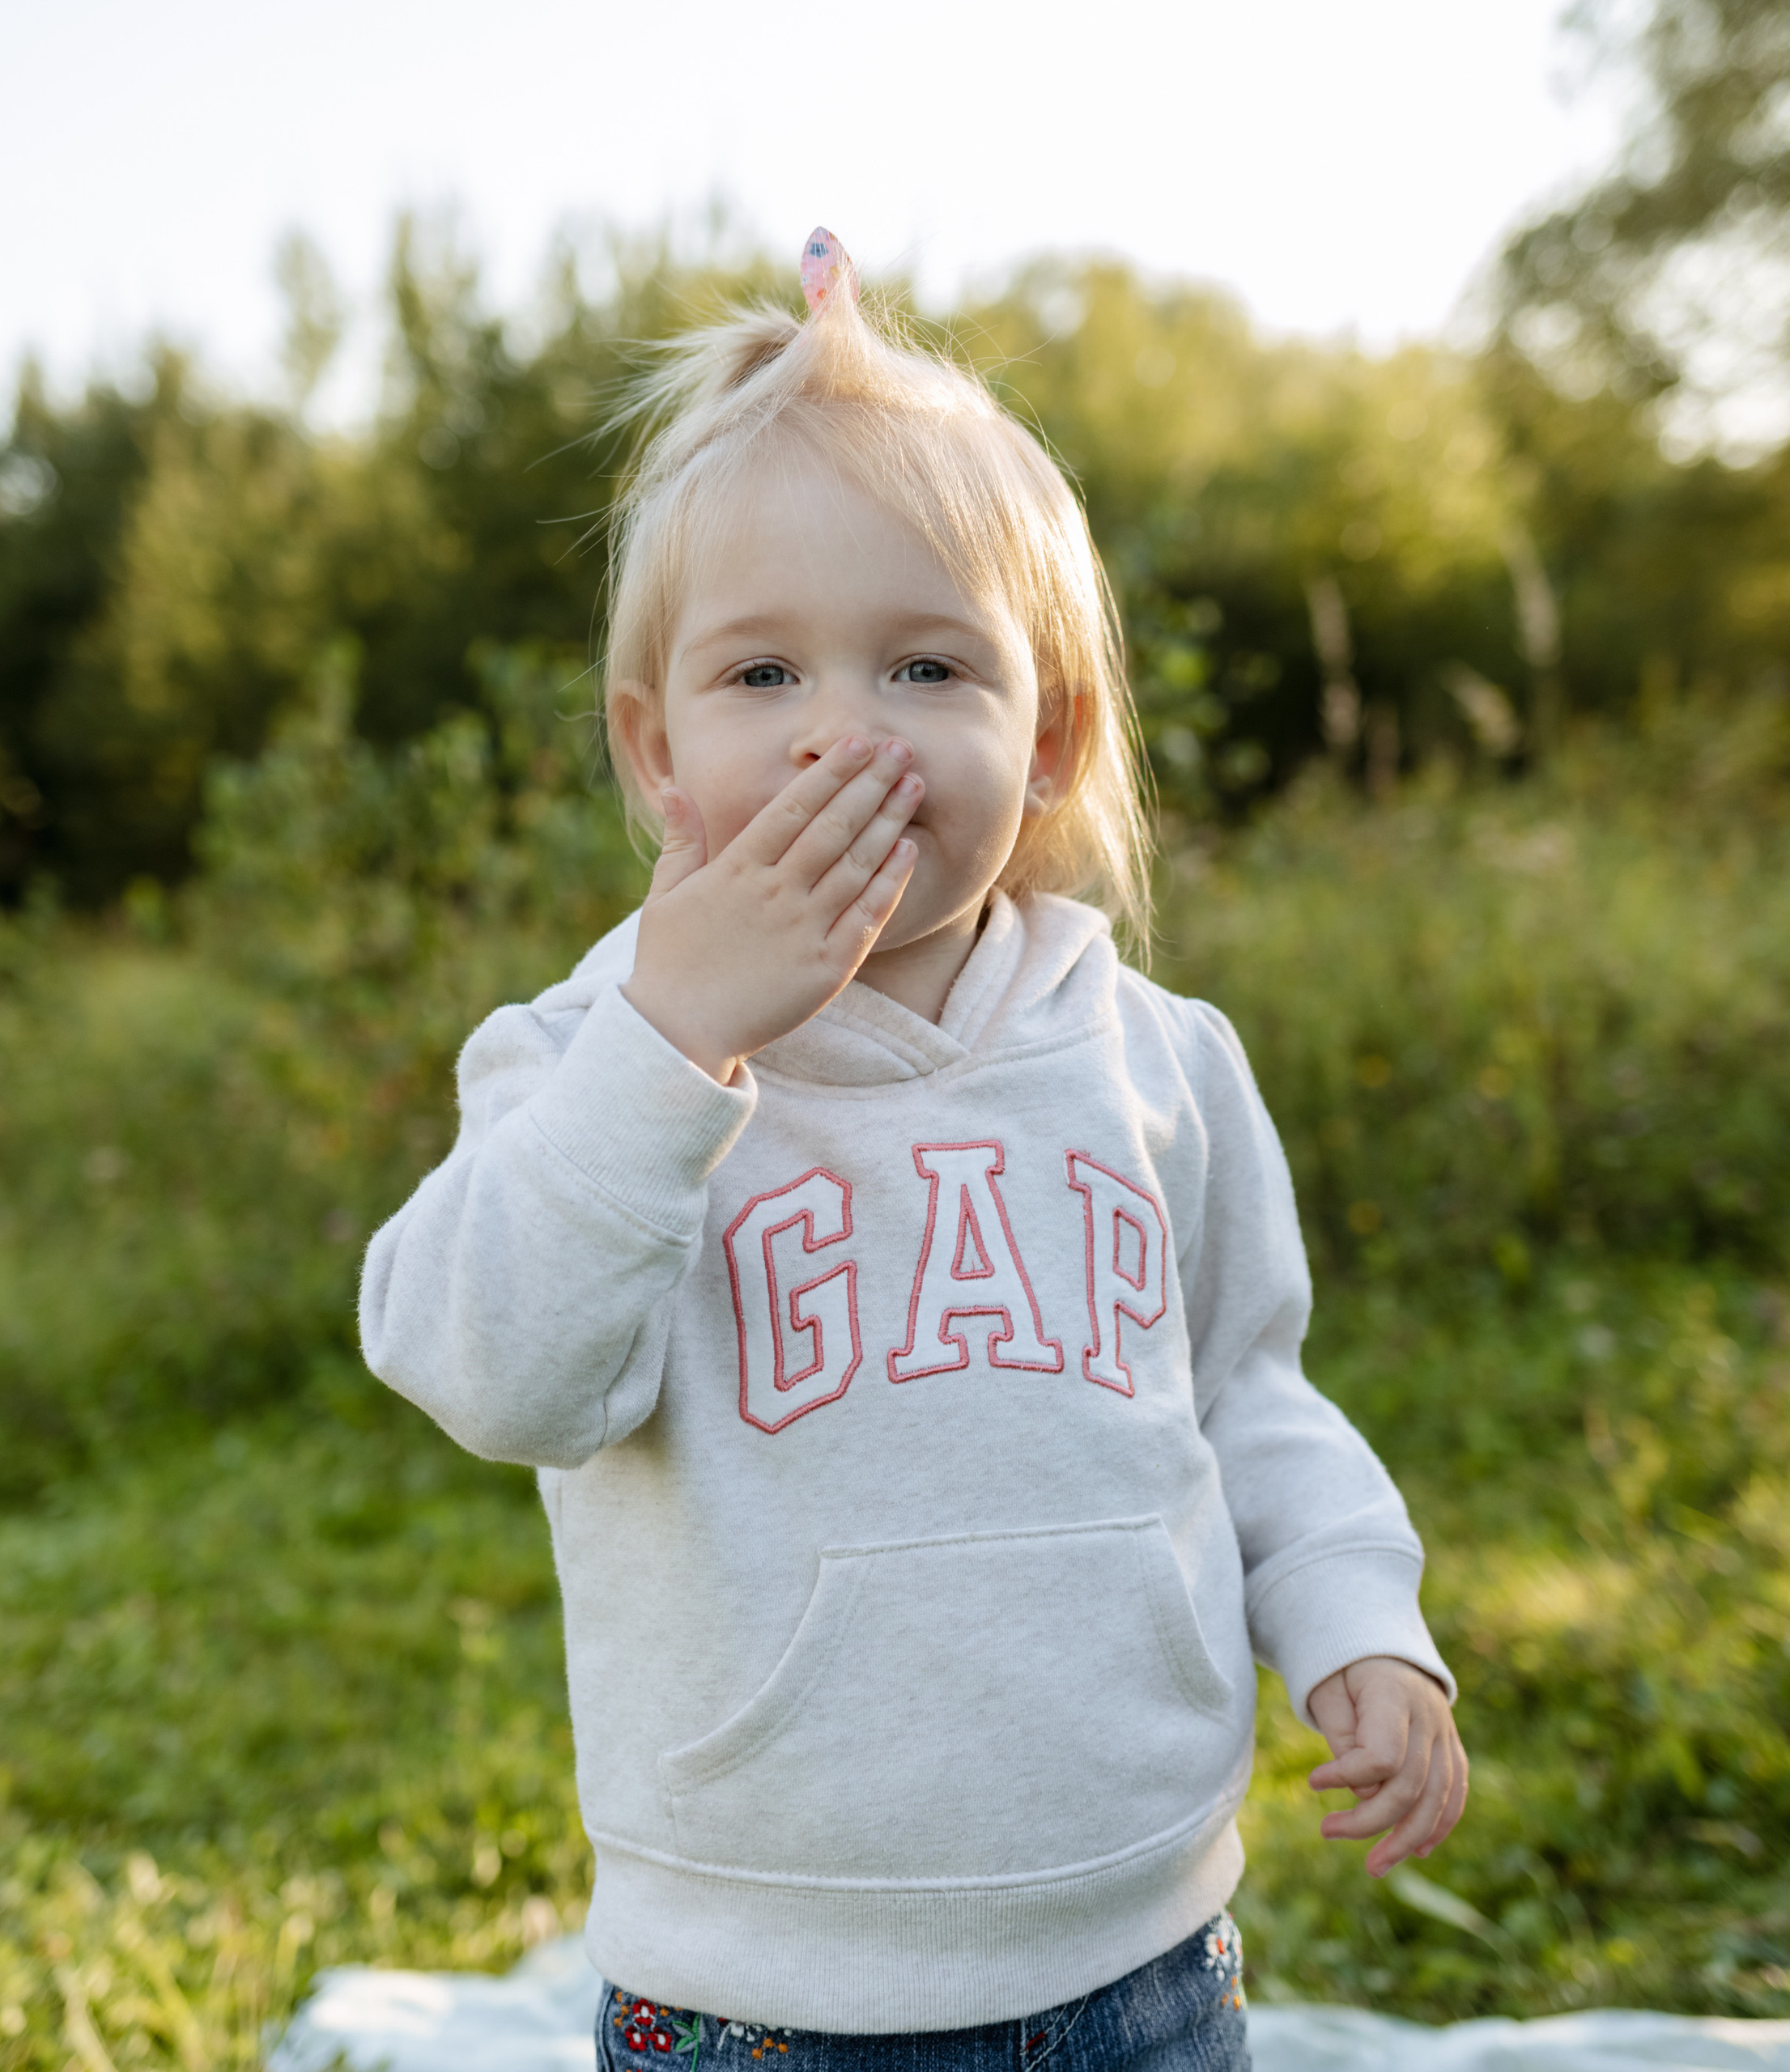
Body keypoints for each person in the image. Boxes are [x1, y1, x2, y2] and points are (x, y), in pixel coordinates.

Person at [360, 229, 1466, 2072]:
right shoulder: (583, 1059)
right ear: (655, 757)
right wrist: (669, 1033)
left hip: (1142, 1952)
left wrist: (1359, 1616)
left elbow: (1249, 1392)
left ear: (1047, 736)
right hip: (766, 1989)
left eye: (925, 665)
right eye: (763, 676)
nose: (842, 737)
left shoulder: (1159, 1061)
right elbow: (492, 1371)